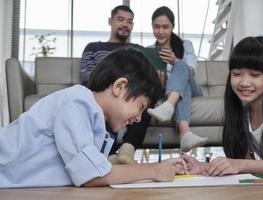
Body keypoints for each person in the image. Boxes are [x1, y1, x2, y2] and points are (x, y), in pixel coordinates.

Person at [0, 47, 188, 188]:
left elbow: (95, 167)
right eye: (140, 107)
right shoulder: (77, 102)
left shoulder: (97, 122)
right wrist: (154, 170)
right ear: (119, 87)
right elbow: (91, 176)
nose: (139, 118)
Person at [182, 36, 263, 176]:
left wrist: (237, 164)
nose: (244, 82)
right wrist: (203, 167)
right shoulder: (242, 110)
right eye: (237, 74)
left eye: (254, 75)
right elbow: (246, 165)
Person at [80, 5, 153, 164]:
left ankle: (127, 151)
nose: (125, 24)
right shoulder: (94, 48)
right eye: (120, 19)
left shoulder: (138, 51)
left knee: (142, 100)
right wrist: (114, 76)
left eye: (130, 21)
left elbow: (146, 78)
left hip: (131, 91)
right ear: (110, 21)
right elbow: (87, 76)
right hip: (105, 91)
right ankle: (107, 156)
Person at [147, 6, 208, 152]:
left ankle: (168, 105)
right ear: (152, 27)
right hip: (164, 90)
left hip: (192, 88)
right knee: (182, 87)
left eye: (165, 27)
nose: (160, 31)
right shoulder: (149, 50)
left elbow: (190, 72)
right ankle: (185, 133)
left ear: (172, 27)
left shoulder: (185, 45)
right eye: (157, 27)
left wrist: (175, 61)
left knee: (181, 65)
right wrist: (157, 81)